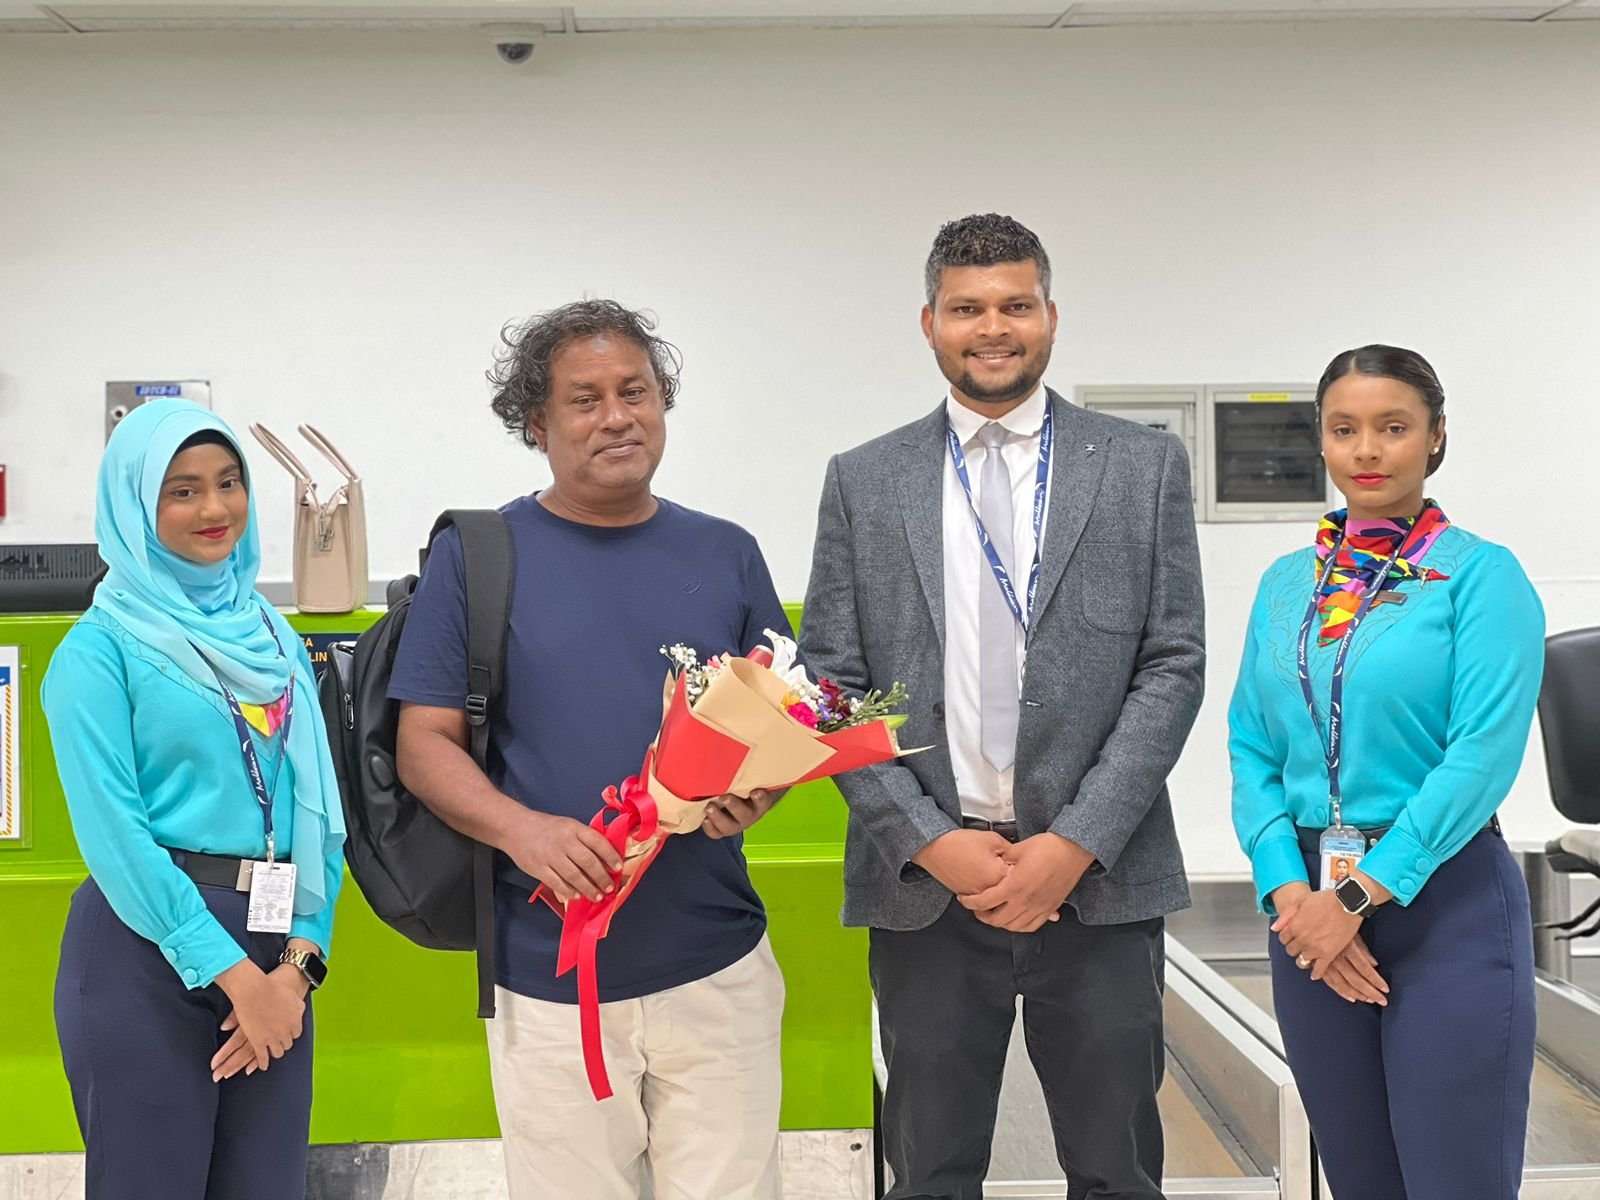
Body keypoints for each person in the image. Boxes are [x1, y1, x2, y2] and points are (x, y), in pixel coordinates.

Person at [800, 213, 1206, 1200]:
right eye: (967, 309)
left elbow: (1171, 663)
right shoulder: (865, 480)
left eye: (1015, 306)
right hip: (929, 888)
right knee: (930, 1172)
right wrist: (929, 839)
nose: (993, 328)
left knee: (1117, 1171)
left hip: (1097, 882)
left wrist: (1076, 841)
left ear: (1051, 316)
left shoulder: (1140, 466)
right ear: (930, 323)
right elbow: (830, 685)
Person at [390, 299, 789, 1200]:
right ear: (536, 424)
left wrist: (761, 791)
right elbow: (424, 744)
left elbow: (779, 728)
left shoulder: (727, 553)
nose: (617, 416)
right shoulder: (480, 557)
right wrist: (523, 831)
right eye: (585, 399)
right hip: (549, 976)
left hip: (716, 963)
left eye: (635, 392)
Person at [1229, 344, 1542, 1199]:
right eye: (1345, 429)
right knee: (1361, 1182)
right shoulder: (1285, 586)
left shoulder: (1481, 577)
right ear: (1322, 441)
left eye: (1393, 427)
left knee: (1455, 1181)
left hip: (1444, 902)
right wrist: (1291, 896)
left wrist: (1356, 900)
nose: (1367, 450)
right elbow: (1252, 746)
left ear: (1435, 436)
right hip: (1308, 910)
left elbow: (1480, 756)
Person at [42, 400, 346, 1200]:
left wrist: (297, 970)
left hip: (275, 960)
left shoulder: (271, 636)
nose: (215, 508)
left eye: (228, 482)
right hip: (144, 955)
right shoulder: (95, 654)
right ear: (135, 506)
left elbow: (320, 818)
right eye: (181, 490)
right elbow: (116, 840)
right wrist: (237, 979)